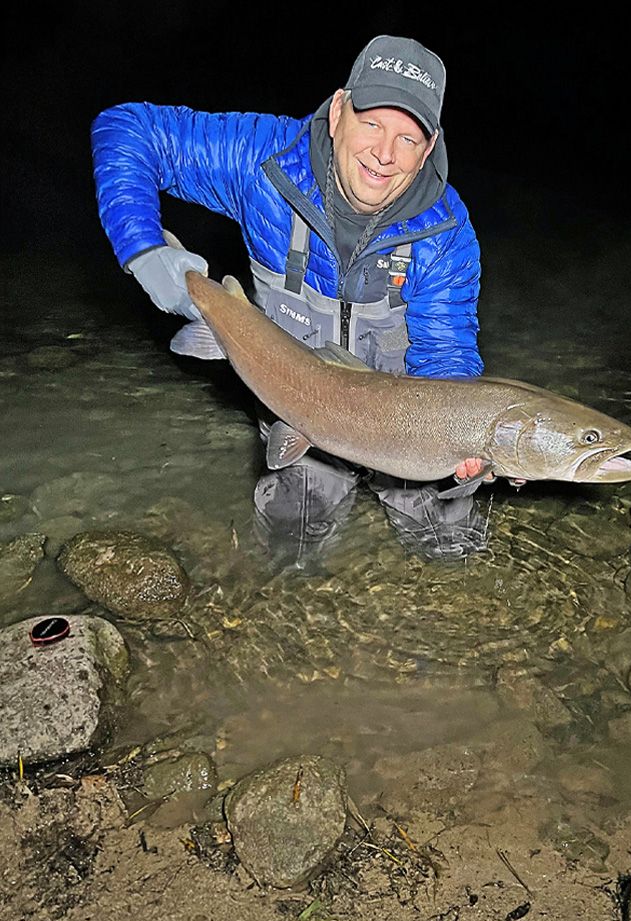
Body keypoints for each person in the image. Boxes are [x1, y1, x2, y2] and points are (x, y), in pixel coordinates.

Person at [91, 35, 491, 564]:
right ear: (338, 112)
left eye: (408, 138)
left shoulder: (445, 231)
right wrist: (142, 247)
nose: (385, 154)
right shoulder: (267, 160)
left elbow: (445, 357)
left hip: (402, 434)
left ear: (430, 146)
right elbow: (126, 127)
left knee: (452, 551)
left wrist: (466, 445)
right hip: (297, 406)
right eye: (372, 123)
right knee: (289, 554)